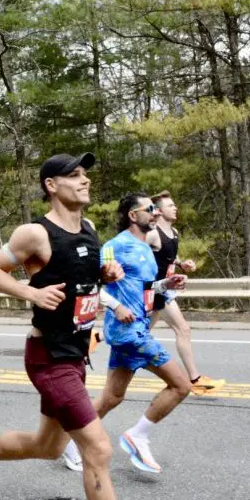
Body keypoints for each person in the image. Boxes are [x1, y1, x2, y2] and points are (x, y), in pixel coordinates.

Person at [0, 153, 122, 500]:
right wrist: (31, 292)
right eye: (75, 175)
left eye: (86, 175)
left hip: (75, 352)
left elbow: (77, 277)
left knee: (48, 446)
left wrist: (105, 275)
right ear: (51, 186)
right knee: (97, 448)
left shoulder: (89, 228)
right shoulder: (36, 233)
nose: (86, 181)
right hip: (49, 357)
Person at [68, 192, 192, 475]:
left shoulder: (146, 246)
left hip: (136, 326)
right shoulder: (115, 247)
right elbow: (89, 285)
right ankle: (138, 436)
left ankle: (72, 441)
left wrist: (166, 284)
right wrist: (116, 305)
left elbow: (145, 288)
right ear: (133, 216)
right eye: (150, 209)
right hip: (129, 332)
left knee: (112, 398)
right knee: (181, 386)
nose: (156, 213)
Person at [146, 190, 225, 395]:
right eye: (170, 206)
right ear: (160, 212)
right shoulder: (152, 234)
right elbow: (135, 252)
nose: (175, 208)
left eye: (175, 205)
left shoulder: (174, 233)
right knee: (183, 329)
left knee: (140, 333)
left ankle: (99, 338)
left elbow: (169, 254)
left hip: (165, 289)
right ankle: (195, 379)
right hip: (155, 290)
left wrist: (182, 263)